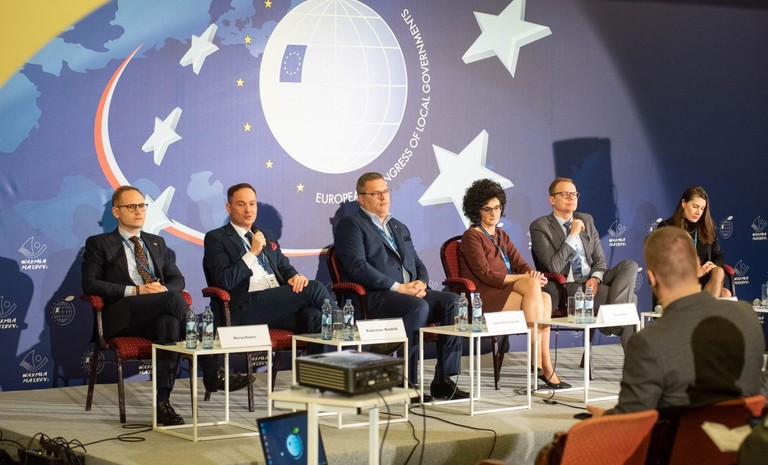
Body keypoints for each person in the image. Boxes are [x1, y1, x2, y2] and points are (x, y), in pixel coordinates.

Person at [587, 226, 763, 416]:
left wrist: (603, 418)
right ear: (697, 264)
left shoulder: (647, 343)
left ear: (651, 278)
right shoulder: (747, 316)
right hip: (744, 430)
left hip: (685, 435)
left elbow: (631, 421)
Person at [333, 172, 468, 400]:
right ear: (361, 198)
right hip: (374, 296)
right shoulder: (351, 225)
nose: (383, 197)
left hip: (408, 292)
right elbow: (357, 266)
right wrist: (398, 287)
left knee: (453, 302)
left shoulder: (398, 226)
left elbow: (416, 261)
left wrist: (422, 283)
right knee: (417, 307)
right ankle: (407, 382)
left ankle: (444, 380)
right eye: (376, 193)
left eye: (385, 191)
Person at [82, 186, 189, 425]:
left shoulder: (157, 242)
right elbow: (90, 284)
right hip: (121, 315)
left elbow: (178, 280)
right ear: (116, 212)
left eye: (142, 206)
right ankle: (210, 363)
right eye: (131, 207)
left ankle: (163, 403)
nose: (139, 211)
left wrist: (161, 290)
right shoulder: (99, 243)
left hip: (152, 315)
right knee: (174, 299)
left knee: (170, 324)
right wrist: (137, 290)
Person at [202, 183, 333, 366]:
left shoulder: (266, 234)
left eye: (252, 204)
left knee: (316, 317)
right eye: (241, 204)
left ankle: (317, 376)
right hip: (246, 307)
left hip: (275, 304)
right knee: (314, 288)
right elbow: (224, 281)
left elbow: (283, 266)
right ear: (228, 208)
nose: (248, 210)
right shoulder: (217, 238)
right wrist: (252, 253)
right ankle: (345, 328)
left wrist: (294, 277)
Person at [458, 179, 570, 389]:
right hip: (484, 296)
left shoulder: (501, 235)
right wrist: (525, 278)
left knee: (545, 298)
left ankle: (545, 364)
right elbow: (486, 275)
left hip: (505, 291)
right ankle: (537, 361)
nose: (494, 213)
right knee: (532, 286)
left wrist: (533, 274)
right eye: (487, 209)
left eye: (497, 207)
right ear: (476, 211)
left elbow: (520, 264)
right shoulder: (471, 237)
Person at [530, 177, 638, 349]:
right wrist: (572, 235)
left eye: (574, 194)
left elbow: (600, 259)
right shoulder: (540, 226)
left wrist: (596, 278)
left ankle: (614, 322)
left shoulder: (587, 219)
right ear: (552, 199)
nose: (571, 197)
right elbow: (554, 267)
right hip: (570, 285)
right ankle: (629, 351)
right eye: (565, 194)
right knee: (631, 299)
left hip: (593, 280)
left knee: (630, 265)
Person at [657, 186, 731, 299]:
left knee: (718, 271)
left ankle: (701, 308)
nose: (698, 212)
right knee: (725, 294)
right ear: (684, 203)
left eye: (702, 208)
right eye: (695, 206)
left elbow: (718, 255)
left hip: (705, 277)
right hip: (681, 278)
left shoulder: (707, 228)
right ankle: (704, 308)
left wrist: (710, 266)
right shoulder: (667, 227)